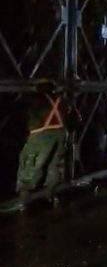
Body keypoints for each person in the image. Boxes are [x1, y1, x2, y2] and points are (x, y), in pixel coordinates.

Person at [15, 79, 66, 209]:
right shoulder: (59, 99)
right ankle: (51, 195)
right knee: (54, 165)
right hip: (60, 134)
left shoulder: (34, 99)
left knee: (31, 162)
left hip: (41, 135)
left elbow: (20, 114)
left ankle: (23, 200)